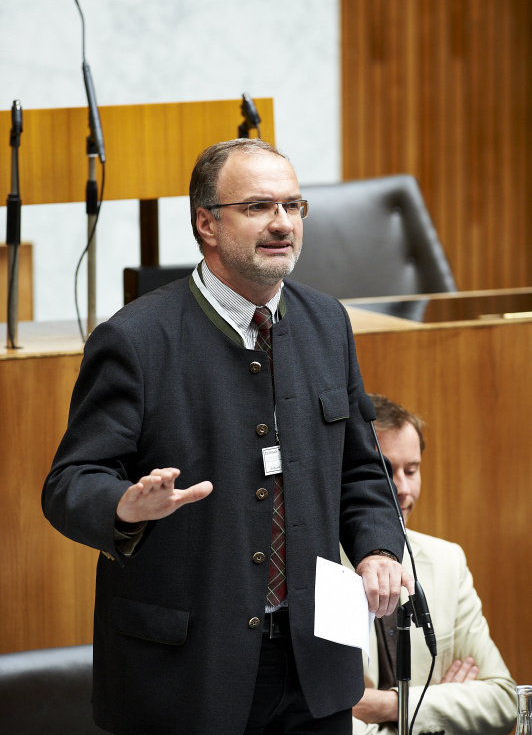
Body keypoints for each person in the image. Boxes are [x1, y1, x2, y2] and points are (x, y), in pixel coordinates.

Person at [42, 139, 414, 735]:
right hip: (187, 671)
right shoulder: (135, 339)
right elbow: (68, 483)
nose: (282, 224)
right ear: (206, 223)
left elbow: (360, 469)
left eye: (294, 206)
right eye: (259, 207)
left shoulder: (327, 323)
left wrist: (376, 548)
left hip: (316, 660)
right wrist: (125, 506)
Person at [345, 394, 516, 735]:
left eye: (412, 470)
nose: (402, 489)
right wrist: (441, 706)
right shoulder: (317, 570)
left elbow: (504, 701)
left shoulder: (448, 561)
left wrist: (389, 706)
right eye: (384, 471)